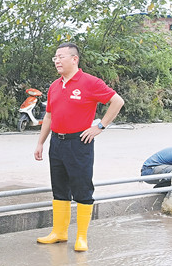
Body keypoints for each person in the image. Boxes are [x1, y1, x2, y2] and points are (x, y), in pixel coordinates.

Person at [34, 42, 124, 252]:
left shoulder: (90, 82)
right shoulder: (54, 86)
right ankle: (59, 232)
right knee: (59, 188)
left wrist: (99, 126)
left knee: (82, 189)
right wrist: (40, 142)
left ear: (74, 59)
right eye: (55, 57)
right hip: (57, 142)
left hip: (79, 143)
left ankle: (81, 237)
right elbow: (49, 116)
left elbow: (117, 101)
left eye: (61, 57)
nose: (57, 61)